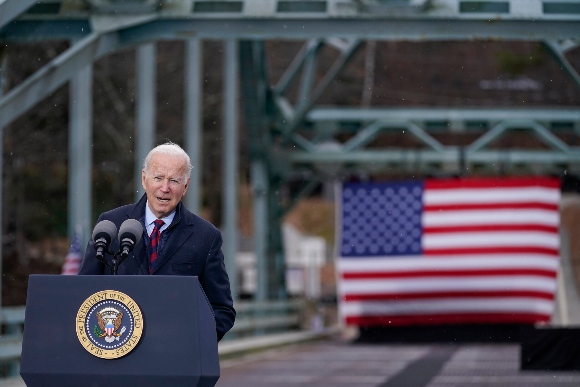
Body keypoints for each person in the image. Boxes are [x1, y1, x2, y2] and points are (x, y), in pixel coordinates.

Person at [79, 142, 235, 341]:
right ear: (144, 179)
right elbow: (83, 293)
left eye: (174, 181)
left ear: (186, 186)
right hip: (116, 353)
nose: (165, 188)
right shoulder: (110, 225)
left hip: (175, 360)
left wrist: (193, 342)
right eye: (158, 178)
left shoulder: (206, 237)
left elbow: (222, 310)